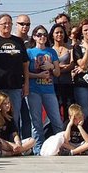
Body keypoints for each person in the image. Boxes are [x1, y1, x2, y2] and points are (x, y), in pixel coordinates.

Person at [26, 24, 63, 155]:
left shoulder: (51, 52)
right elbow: (25, 73)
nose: (42, 37)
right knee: (36, 122)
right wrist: (38, 75)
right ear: (34, 37)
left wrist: (51, 65)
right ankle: (38, 149)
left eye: (44, 35)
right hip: (33, 89)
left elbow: (58, 72)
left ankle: (60, 146)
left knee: (57, 120)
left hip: (49, 89)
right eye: (39, 35)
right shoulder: (29, 52)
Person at [0, 92, 35, 157]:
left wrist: (18, 143)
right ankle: (18, 151)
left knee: (32, 140)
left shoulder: (9, 118)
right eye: (5, 104)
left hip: (10, 145)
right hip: (0, 143)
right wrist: (13, 146)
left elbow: (14, 134)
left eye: (8, 103)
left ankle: (17, 151)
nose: (8, 105)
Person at [49, 23, 73, 120]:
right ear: (52, 35)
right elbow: (48, 66)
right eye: (57, 33)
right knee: (56, 110)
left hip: (67, 83)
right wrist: (60, 67)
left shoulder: (70, 48)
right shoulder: (49, 50)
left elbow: (72, 65)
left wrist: (57, 68)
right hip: (53, 84)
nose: (59, 35)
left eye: (61, 32)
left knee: (68, 109)